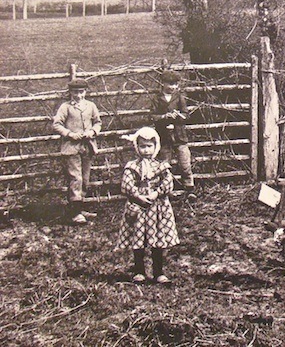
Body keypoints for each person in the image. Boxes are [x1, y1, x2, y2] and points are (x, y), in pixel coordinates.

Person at [116, 127, 180, 284]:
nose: (146, 150)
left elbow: (168, 183)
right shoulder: (132, 166)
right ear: (137, 147)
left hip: (156, 207)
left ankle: (158, 272)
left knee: (157, 239)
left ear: (156, 146)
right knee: (138, 239)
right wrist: (138, 196)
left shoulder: (161, 166)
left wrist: (155, 193)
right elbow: (126, 185)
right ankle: (139, 271)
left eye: (149, 146)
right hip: (138, 208)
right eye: (143, 146)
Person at [52, 78, 102, 225]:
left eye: (81, 92)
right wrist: (70, 134)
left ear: (85, 92)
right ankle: (75, 213)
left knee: (85, 178)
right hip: (71, 147)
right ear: (71, 92)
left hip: (87, 146)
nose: (78, 95)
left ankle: (79, 208)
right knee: (76, 178)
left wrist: (92, 131)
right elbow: (57, 124)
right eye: (75, 92)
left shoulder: (91, 106)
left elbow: (98, 122)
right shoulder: (65, 107)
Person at [149, 70, 194, 189]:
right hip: (164, 137)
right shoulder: (157, 99)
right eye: (170, 84)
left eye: (175, 84)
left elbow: (186, 115)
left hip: (179, 135)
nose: (172, 87)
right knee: (164, 165)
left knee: (185, 163)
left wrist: (179, 115)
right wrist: (164, 117)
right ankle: (167, 190)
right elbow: (152, 116)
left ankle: (189, 188)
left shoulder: (179, 98)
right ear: (162, 83)